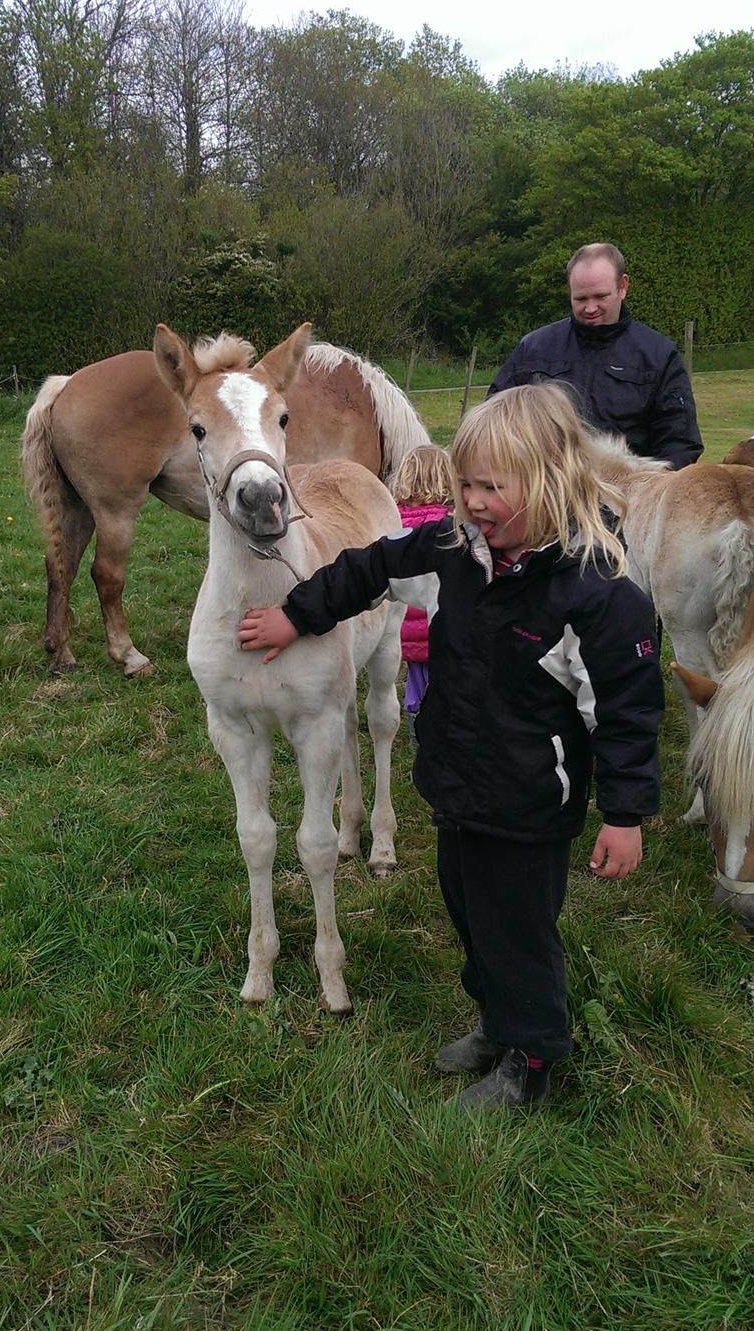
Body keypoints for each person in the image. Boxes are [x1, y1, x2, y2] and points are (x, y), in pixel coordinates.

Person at [238, 384, 664, 1113]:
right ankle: (496, 1021)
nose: (471, 501)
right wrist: (294, 615)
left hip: (531, 804)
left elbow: (626, 713)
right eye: (465, 483)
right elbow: (364, 568)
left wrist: (623, 816)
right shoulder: (450, 553)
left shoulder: (595, 597)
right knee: (467, 911)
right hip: (458, 784)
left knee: (517, 931)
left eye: (491, 487)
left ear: (552, 479)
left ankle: (531, 1058)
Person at [488, 242, 702, 469]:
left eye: (600, 296)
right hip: (544, 491)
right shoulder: (534, 349)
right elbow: (493, 420)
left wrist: (648, 492)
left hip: (627, 496)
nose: (590, 308)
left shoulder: (658, 355)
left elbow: (679, 445)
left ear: (623, 286)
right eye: (580, 299)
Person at [389, 444, 457, 740]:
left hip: (404, 630)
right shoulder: (454, 523)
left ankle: (419, 732)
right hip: (445, 627)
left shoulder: (393, 522)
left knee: (416, 682)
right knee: (450, 680)